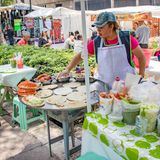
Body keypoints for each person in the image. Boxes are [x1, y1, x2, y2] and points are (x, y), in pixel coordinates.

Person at [58, 12, 146, 93]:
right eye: (97, 27)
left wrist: (141, 75)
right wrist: (67, 69)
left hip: (125, 86)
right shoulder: (96, 42)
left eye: (101, 27)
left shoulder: (127, 39)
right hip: (104, 86)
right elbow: (80, 56)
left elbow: (141, 56)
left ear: (111, 26)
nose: (98, 30)